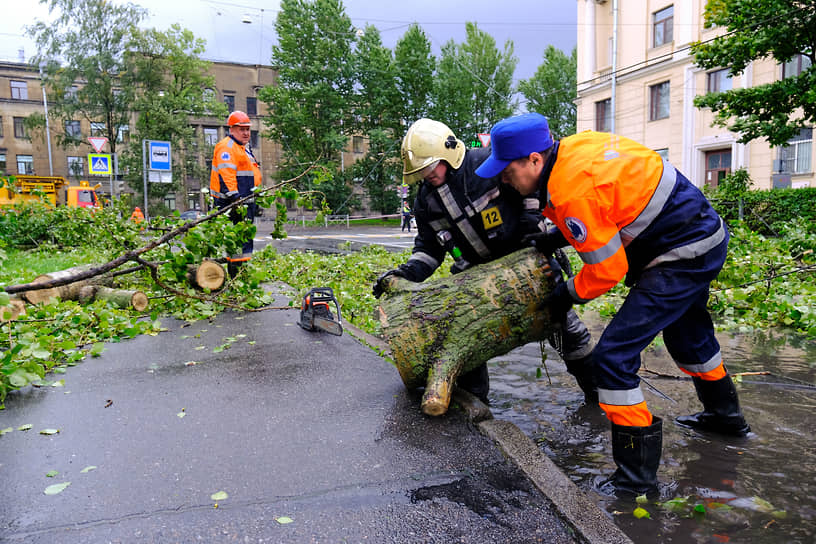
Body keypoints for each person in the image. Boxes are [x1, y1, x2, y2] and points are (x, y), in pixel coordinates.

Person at [475, 112, 751, 497]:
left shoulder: (572, 190)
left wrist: (566, 293)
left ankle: (636, 480)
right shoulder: (573, 149)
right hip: (702, 235)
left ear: (535, 160)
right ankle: (726, 418)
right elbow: (607, 209)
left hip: (682, 252)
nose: (504, 178)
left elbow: (607, 270)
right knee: (689, 339)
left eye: (507, 170)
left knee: (613, 359)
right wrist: (557, 239)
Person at [372, 118, 596, 405]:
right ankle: (476, 412)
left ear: (448, 152)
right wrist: (405, 275)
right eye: (420, 172)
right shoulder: (425, 201)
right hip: (475, 284)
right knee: (466, 344)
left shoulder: (486, 166)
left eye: (429, 167)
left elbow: (531, 191)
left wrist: (533, 232)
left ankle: (599, 396)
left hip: (527, 269)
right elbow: (428, 249)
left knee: (569, 334)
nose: (426, 175)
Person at [209, 110, 262, 274]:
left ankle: (241, 274)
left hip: (245, 201)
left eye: (247, 129)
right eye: (242, 129)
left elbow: (250, 175)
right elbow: (227, 176)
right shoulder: (227, 147)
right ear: (231, 129)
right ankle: (236, 276)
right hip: (233, 203)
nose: (246, 133)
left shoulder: (243, 148)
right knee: (238, 241)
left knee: (245, 240)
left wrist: (256, 199)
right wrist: (235, 199)